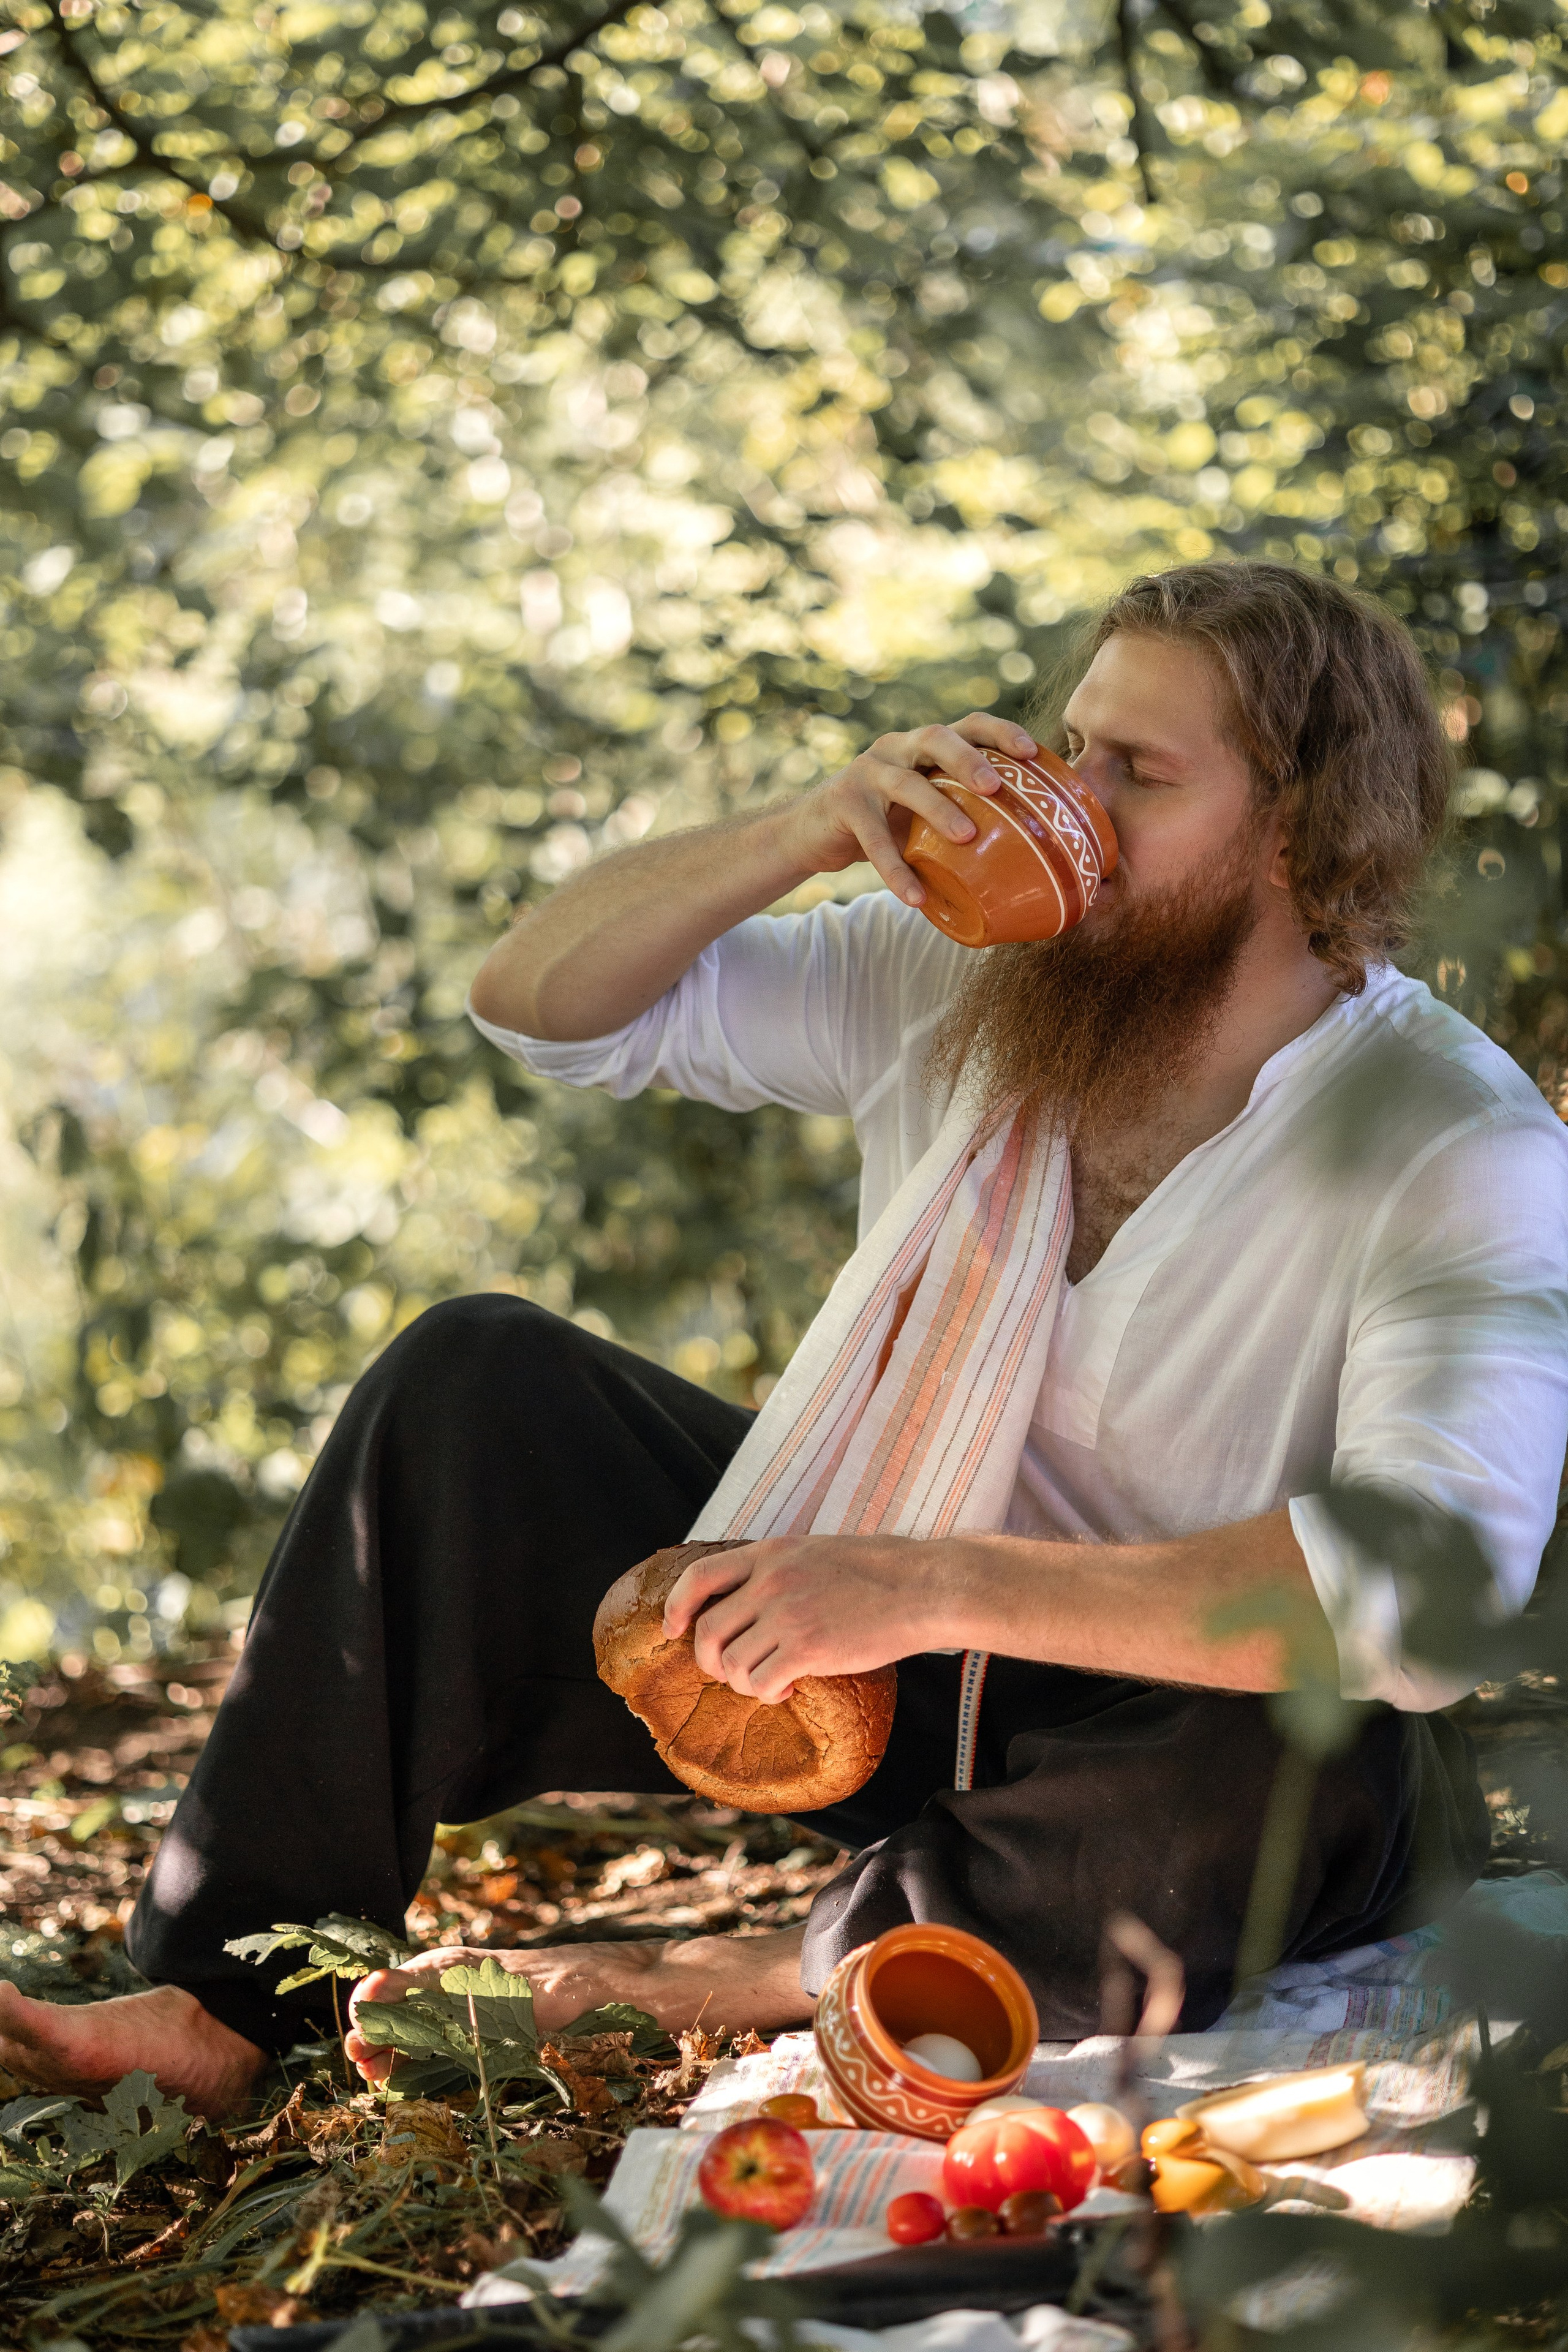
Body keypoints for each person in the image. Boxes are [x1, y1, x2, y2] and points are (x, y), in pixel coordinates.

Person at [2, 562, 1564, 2120]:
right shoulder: (962, 977)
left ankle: (726, 1977)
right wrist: (814, 825)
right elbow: (542, 1007)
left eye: (1135, 776)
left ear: (1295, 829)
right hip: (868, 1679)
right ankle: (223, 1997)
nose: (1068, 805)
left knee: (1318, 1747)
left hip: (1143, 1748)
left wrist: (925, 1578)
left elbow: (1429, 1591)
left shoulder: (1446, 1139)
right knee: (473, 1378)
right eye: (1066, 745)